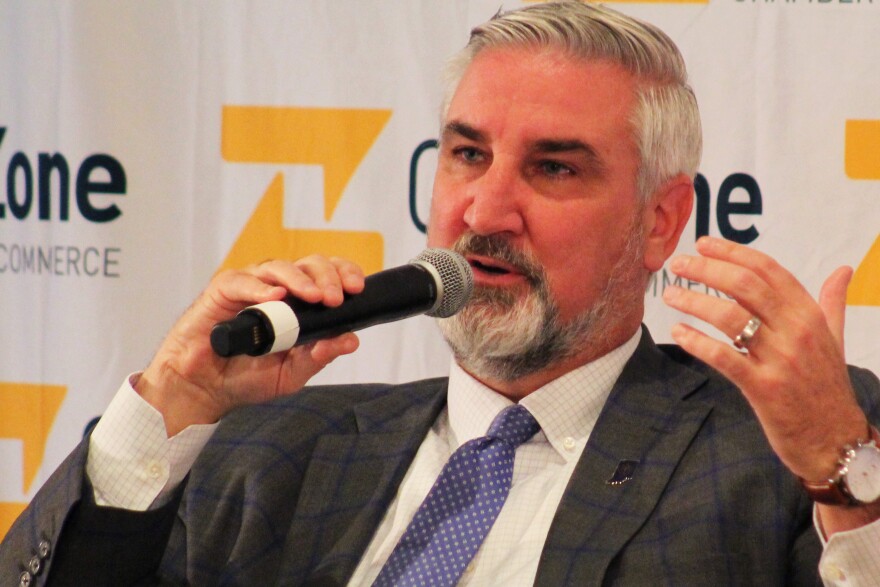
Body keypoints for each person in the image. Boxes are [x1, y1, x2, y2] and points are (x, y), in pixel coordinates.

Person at [2, 2, 879, 585]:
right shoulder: (265, 455)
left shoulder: (786, 450)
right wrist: (171, 403)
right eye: (467, 154)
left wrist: (846, 479)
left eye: (554, 167)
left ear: (659, 221)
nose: (485, 208)